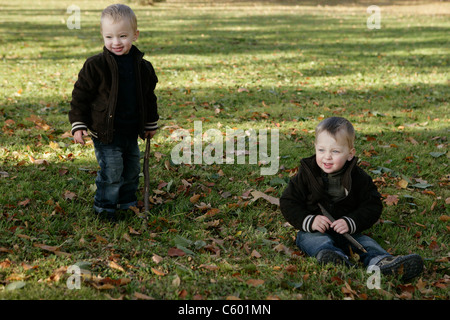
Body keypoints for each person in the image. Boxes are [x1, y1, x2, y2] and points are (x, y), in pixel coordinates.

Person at [280, 117, 423, 281]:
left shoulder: (359, 178)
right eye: (321, 150)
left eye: (335, 151)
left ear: (350, 154)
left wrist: (351, 222)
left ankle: (382, 262)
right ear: (315, 148)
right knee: (309, 240)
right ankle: (334, 258)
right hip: (315, 229)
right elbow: (288, 201)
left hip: (349, 231)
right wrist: (309, 221)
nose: (327, 157)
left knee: (365, 243)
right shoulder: (306, 175)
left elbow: (372, 205)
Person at [69, 4, 159, 221]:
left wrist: (150, 123)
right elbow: (80, 96)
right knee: (112, 172)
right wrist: (78, 124)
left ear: (135, 35)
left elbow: (149, 98)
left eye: (122, 36)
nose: (116, 42)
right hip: (105, 132)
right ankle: (105, 207)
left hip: (130, 131)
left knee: (130, 170)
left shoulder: (143, 67)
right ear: (102, 35)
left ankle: (126, 203)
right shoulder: (95, 66)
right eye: (109, 36)